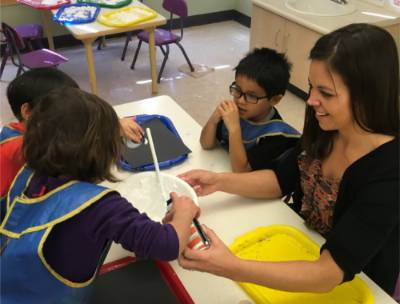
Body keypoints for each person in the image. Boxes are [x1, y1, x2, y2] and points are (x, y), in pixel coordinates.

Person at [179, 23, 399, 297]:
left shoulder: (389, 170)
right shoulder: (326, 125)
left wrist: (231, 266)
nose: (311, 100)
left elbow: (328, 273)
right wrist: (218, 180)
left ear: (368, 95)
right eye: (311, 87)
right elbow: (282, 178)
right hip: (300, 245)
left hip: (359, 284)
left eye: (326, 93)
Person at [0, 87, 200, 303]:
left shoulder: (28, 173)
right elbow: (167, 246)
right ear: (106, 153)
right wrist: (184, 213)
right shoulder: (102, 207)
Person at [0, 68, 143, 201]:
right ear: (27, 111)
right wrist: (109, 127)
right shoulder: (23, 148)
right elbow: (77, 152)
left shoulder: (15, 131)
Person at [200, 48, 300, 172]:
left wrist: (234, 129)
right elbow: (206, 144)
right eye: (238, 90)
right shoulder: (235, 112)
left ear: (274, 100)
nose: (241, 101)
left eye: (252, 96)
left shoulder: (277, 137)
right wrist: (214, 120)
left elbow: (241, 171)